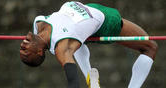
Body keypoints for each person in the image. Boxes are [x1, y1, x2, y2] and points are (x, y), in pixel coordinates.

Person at [19, 1, 158, 88]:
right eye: (26, 51)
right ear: (39, 52)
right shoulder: (62, 48)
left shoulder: (38, 24)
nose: (22, 46)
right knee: (150, 47)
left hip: (88, 10)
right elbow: (73, 81)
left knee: (75, 39)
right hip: (105, 21)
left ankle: (92, 81)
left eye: (21, 49)